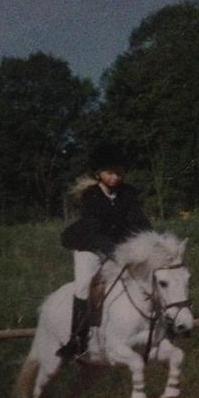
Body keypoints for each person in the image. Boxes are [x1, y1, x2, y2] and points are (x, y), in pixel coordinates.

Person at [57, 141, 152, 359]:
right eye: (110, 173)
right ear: (99, 174)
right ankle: (77, 338)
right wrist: (113, 251)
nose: (115, 177)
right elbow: (93, 230)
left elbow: (138, 221)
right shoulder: (90, 195)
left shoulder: (129, 192)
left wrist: (151, 240)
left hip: (117, 247)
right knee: (83, 284)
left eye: (119, 173)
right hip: (89, 246)